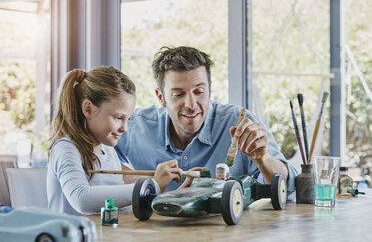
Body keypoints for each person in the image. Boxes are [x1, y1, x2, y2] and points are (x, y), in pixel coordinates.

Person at [115, 46, 297, 193]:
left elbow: (289, 186)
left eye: (199, 92)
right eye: (178, 94)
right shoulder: (135, 126)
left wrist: (264, 159)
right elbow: (91, 159)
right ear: (161, 97)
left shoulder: (239, 122)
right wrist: (147, 183)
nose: (191, 104)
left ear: (210, 90)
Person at [47, 66, 182, 215]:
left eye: (128, 119)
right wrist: (152, 185)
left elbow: (122, 204)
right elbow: (82, 199)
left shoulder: (108, 150)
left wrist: (179, 194)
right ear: (88, 109)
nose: (125, 128)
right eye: (118, 118)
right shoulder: (66, 148)